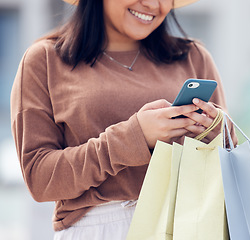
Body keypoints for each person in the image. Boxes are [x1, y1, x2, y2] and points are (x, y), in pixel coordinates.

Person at [10, 0, 236, 239]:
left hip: (188, 224)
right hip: (98, 229)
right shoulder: (44, 60)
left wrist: (218, 132)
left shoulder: (193, 57)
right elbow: (40, 180)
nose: (152, 4)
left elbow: (230, 160)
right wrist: (133, 137)